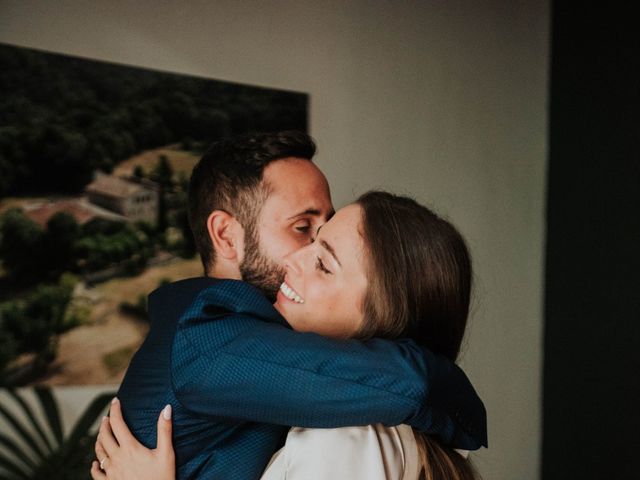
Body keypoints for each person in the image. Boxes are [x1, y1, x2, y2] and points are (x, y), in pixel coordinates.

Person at [95, 132, 486, 479]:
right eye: (302, 229)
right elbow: (412, 385)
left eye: (324, 238)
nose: (302, 257)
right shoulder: (206, 332)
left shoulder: (347, 425)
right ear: (226, 236)